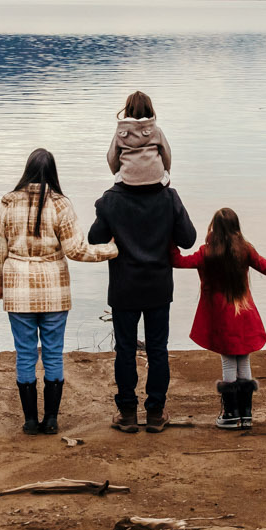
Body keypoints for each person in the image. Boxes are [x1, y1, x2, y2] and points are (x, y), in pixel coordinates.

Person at [0, 149, 115, 436]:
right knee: (54, 354)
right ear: (53, 172)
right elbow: (76, 250)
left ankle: (31, 421)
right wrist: (112, 249)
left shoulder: (8, 203)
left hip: (18, 290)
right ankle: (52, 420)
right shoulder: (60, 204)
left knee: (25, 354)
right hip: (54, 290)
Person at [173, 207, 266, 432]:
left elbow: (178, 261)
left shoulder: (206, 252)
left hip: (221, 318)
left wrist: (167, 238)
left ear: (213, 227)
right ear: (236, 228)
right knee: (243, 359)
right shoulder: (245, 250)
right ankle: (246, 415)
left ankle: (231, 414)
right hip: (243, 314)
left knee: (228, 361)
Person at [88, 168, 195, 433]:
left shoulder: (111, 199)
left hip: (124, 287)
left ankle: (127, 413)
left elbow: (94, 238)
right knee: (158, 350)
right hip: (158, 286)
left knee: (124, 349)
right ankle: (156, 413)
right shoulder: (169, 198)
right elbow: (188, 239)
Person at [106, 91, 172, 185]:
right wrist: (166, 171)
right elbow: (166, 155)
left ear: (128, 109)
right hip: (155, 181)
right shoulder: (156, 131)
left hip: (128, 182)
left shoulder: (120, 133)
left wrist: (117, 172)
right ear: (150, 109)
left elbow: (112, 158)